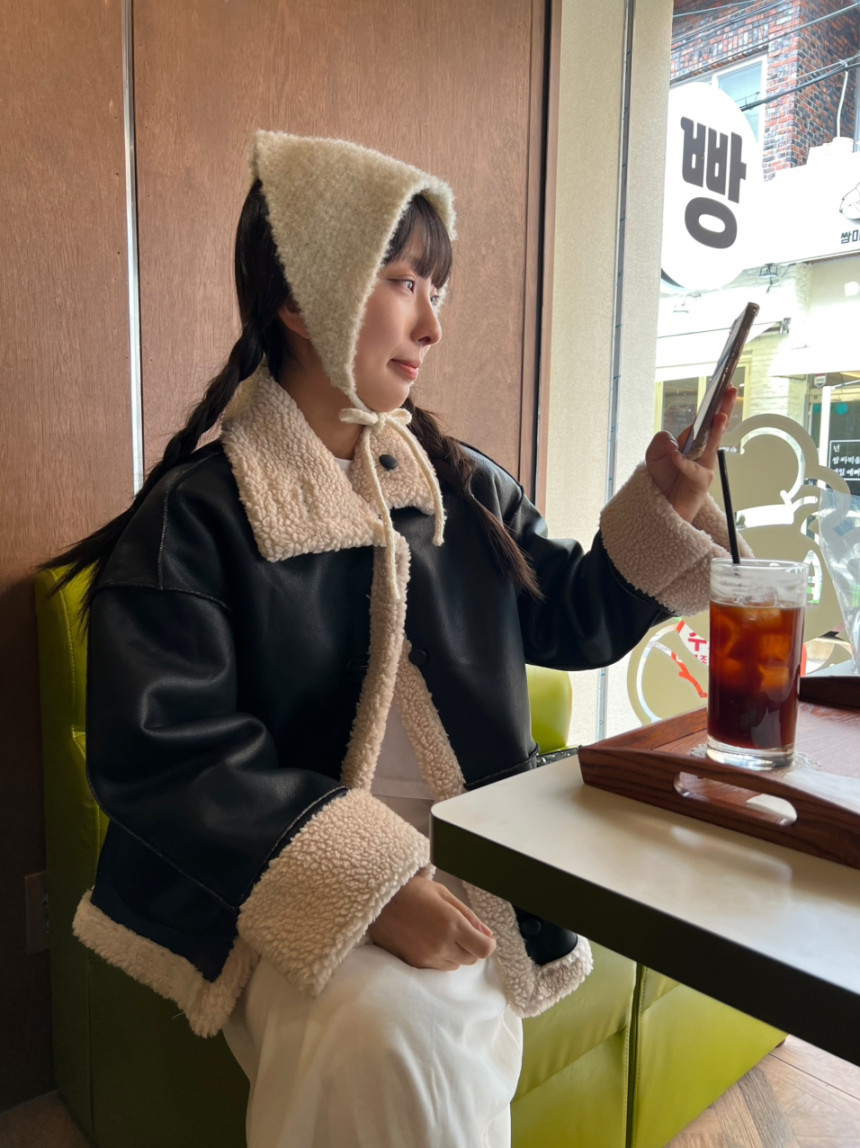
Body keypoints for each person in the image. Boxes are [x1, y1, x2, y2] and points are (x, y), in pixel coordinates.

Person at [46, 132, 740, 1148]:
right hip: (278, 882)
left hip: (473, 854)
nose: (431, 323)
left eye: (436, 290)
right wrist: (370, 889)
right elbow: (166, 752)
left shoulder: (457, 484)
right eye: (404, 281)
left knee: (416, 1031)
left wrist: (667, 501)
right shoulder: (196, 518)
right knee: (387, 1034)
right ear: (303, 294)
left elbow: (571, 613)